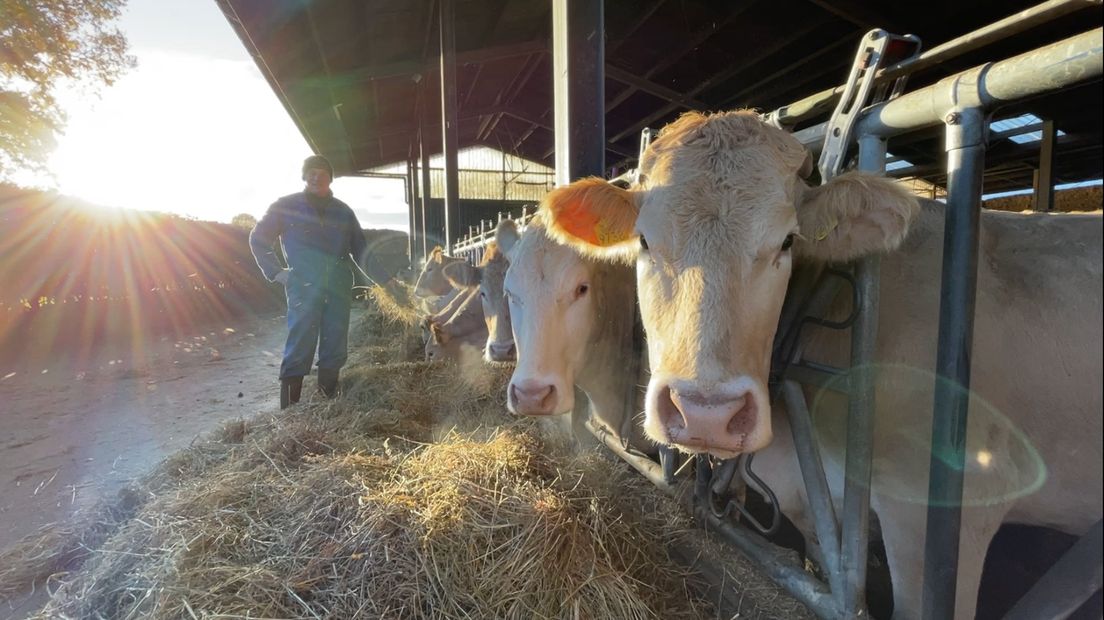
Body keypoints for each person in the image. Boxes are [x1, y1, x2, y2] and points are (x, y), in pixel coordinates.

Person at [249, 155, 368, 408]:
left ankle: (326, 405)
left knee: (335, 342)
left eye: (322, 171)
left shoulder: (343, 211)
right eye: (311, 171)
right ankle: (290, 411)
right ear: (304, 176)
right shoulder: (286, 206)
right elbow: (258, 238)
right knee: (300, 340)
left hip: (337, 285)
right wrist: (277, 272)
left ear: (330, 177)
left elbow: (362, 251)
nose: (316, 176)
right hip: (303, 284)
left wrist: (385, 282)